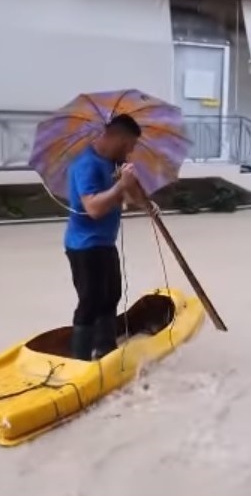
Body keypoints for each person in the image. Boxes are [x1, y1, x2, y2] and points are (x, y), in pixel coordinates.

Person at [64, 114, 145, 361]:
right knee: (90, 302)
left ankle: (105, 349)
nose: (131, 151)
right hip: (85, 246)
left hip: (105, 243)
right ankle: (80, 361)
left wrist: (132, 187)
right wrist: (121, 186)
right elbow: (94, 208)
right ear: (116, 138)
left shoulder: (113, 163)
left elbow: (131, 201)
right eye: (129, 145)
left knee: (111, 297)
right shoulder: (87, 164)